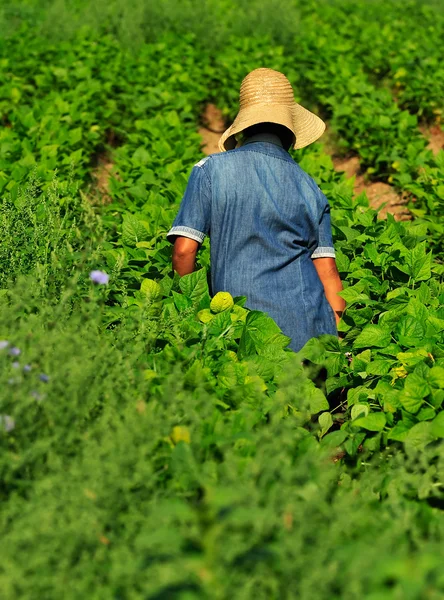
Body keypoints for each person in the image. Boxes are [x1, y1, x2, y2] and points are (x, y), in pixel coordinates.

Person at [166, 67, 345, 352]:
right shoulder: (310, 186)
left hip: (238, 333)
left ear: (243, 129)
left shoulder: (211, 170)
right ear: (290, 133)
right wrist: (340, 344)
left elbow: (184, 250)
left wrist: (192, 313)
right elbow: (328, 272)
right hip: (308, 334)